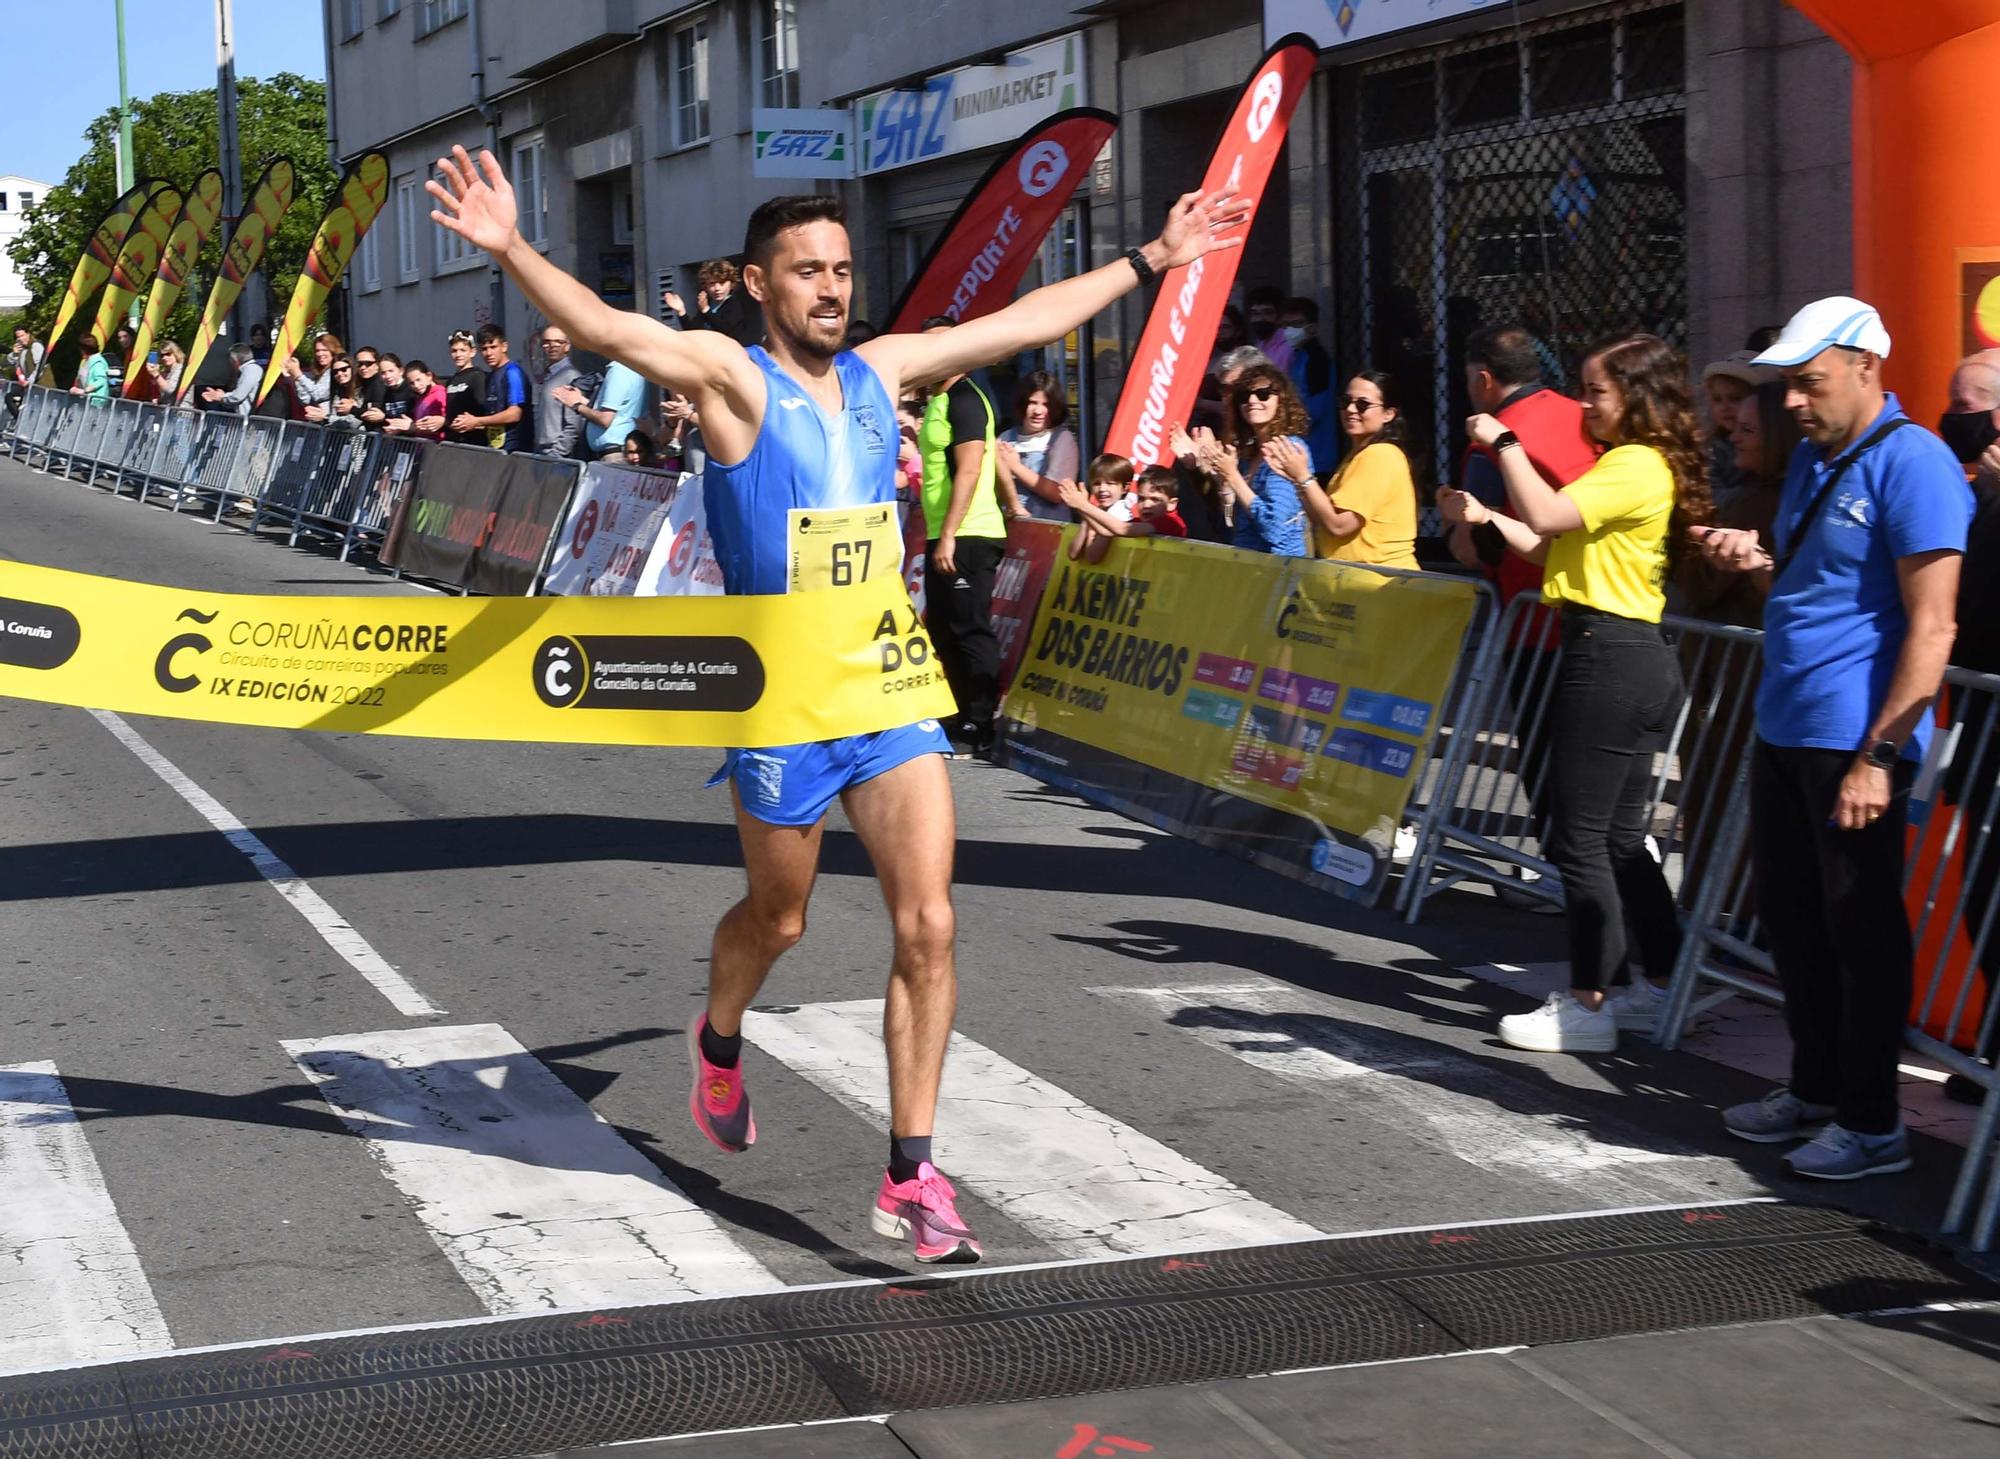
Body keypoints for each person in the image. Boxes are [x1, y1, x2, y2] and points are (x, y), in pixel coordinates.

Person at [426, 142, 1243, 1263]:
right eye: (806, 270)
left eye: (842, 269)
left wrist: (1151, 256)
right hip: (781, 702)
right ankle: (717, 1036)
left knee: (931, 920)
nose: (830, 288)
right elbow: (619, 333)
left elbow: (1015, 323)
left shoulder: (884, 372)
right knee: (781, 917)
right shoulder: (729, 378)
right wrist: (512, 245)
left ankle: (910, 1173)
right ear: (759, 283)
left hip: (885, 682)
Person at [1697, 298, 1971, 1178]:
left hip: (1852, 741)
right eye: (1790, 388)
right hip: (1785, 725)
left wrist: (1878, 757)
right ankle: (1815, 1087)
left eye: (1810, 385)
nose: (1794, 405)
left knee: (1861, 933)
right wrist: (1759, 564)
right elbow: (1827, 585)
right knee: (1794, 923)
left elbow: (1932, 628)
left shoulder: (1916, 462)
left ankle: (1873, 1119)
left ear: (1864, 365)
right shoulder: (1820, 460)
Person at [1441, 334, 1713, 1055]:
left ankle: (1590, 1002)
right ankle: (1656, 985)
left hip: (1612, 656)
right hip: (1622, 652)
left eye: (1597, 390)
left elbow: (1553, 515)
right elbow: (1551, 544)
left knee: (1579, 836)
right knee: (1620, 838)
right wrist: (1486, 517)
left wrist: (1503, 439)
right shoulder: (1631, 465)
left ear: (1638, 397)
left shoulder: (1633, 463)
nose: (1586, 403)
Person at [917, 316, 1010, 757]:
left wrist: (951, 535)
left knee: (969, 627)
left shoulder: (965, 399)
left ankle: (979, 720)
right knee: (941, 628)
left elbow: (971, 468)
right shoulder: (937, 400)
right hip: (944, 530)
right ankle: (953, 715)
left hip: (968, 532)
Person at [1295, 370, 1418, 568]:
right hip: (1355, 582)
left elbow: (1339, 525)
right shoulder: (1358, 455)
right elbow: (1323, 518)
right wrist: (1295, 478)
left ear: (1389, 414)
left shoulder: (1380, 455)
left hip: (1380, 583)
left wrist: (1303, 476)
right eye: (1346, 401)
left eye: (1363, 404)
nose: (1351, 409)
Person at [1196, 362, 1312, 556]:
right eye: (1243, 396)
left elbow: (1273, 528)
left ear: (1281, 400)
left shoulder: (1287, 449)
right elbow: (1233, 524)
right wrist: (1223, 484)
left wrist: (1233, 476)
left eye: (1263, 393)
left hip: (1279, 572)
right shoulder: (1249, 454)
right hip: (1249, 569)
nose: (1252, 400)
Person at [992, 372, 1080, 523]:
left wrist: (1015, 467)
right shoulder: (1006, 438)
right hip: (1011, 530)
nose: (1038, 411)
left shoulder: (1062, 439)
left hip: (1049, 533)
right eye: (1033, 403)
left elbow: (1057, 493)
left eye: (1045, 405)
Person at [1702, 352, 1777, 508]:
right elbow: (1711, 491)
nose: (1724, 407)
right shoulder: (1713, 448)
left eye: (1735, 398)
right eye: (1717, 399)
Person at [452, 325, 532, 450]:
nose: (489, 353)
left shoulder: (513, 372)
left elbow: (514, 414)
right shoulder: (490, 376)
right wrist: (468, 423)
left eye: (493, 347)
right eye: (484, 349)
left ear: (504, 346)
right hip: (495, 449)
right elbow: (493, 417)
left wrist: (477, 421)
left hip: (515, 451)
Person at [1282, 297, 1339, 471]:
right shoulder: (1299, 356)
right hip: (1304, 451)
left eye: (1297, 324)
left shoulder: (1317, 360)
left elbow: (1315, 409)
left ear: (1312, 328)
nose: (1290, 330)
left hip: (1317, 455)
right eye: (1287, 325)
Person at [557, 354, 648, 461]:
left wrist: (576, 405)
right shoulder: (631, 368)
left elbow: (605, 419)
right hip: (617, 452)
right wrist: (581, 400)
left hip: (616, 455)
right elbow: (619, 411)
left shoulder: (619, 370)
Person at [1059, 464, 1187, 540]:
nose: (1147, 505)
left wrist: (1083, 505)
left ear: (1172, 504)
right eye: (1141, 499)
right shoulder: (1141, 522)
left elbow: (1121, 529)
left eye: (1155, 499)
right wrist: (1080, 507)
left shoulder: (1171, 522)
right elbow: (1107, 531)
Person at [664, 258, 762, 347]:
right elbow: (693, 332)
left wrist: (706, 311)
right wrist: (681, 311)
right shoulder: (708, 306)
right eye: (712, 284)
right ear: (705, 286)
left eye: (722, 283)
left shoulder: (734, 304)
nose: (717, 288)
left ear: (731, 284)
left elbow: (726, 329)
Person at [1067, 452, 1135, 563]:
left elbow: (1093, 557)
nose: (1102, 488)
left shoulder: (1119, 513)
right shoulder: (1097, 510)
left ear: (1125, 488)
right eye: (1097, 483)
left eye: (1110, 483)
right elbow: (1073, 554)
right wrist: (1086, 518)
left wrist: (1086, 510)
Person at [536, 325, 584, 455]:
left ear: (567, 346)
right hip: (541, 451)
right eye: (547, 342)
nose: (552, 346)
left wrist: (558, 453)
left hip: (556, 454)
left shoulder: (571, 376)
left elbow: (574, 424)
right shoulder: (547, 376)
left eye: (558, 341)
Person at [440, 331, 489, 445]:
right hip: (453, 442)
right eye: (454, 351)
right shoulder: (451, 381)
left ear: (472, 352)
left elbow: (485, 411)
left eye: (463, 350)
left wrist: (475, 423)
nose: (458, 355)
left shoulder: (478, 376)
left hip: (474, 443)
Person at [199, 343, 260, 415]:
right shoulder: (251, 370)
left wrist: (221, 396)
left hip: (251, 420)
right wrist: (223, 395)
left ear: (234, 360)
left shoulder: (251, 370)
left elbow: (238, 397)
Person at [296, 333, 342, 422]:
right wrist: (296, 378)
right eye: (317, 351)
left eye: (324, 350)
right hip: (318, 423)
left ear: (333, 351)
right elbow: (305, 399)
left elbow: (318, 394)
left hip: (333, 422)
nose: (320, 354)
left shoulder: (336, 371)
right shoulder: (318, 372)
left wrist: (299, 375)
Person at [404, 360, 447, 441]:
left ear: (429, 376)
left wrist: (410, 426)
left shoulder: (439, 394)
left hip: (434, 447)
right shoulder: (420, 397)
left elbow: (435, 426)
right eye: (411, 383)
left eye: (418, 380)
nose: (416, 386)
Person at [374, 355, 419, 434]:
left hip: (412, 438)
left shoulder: (411, 389)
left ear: (401, 371)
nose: (387, 376)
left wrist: (384, 417)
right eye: (383, 373)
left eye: (391, 371)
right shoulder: (387, 393)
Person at [70, 335, 111, 401]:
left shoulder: (97, 362)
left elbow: (101, 380)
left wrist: (83, 391)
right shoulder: (87, 361)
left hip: (95, 403)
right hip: (86, 401)